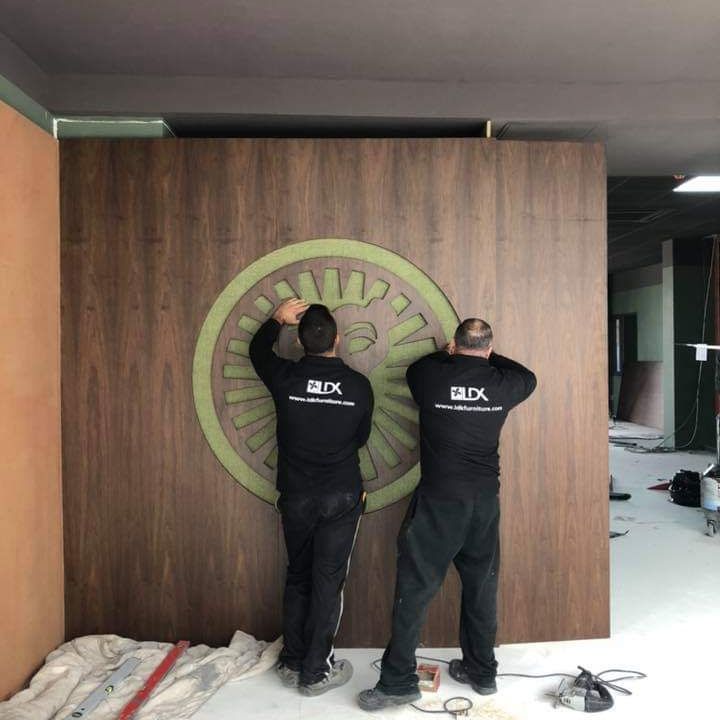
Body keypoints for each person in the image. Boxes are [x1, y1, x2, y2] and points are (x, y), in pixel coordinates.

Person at [358, 318, 536, 711]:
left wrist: (453, 354)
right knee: (481, 586)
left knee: (415, 590)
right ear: (489, 349)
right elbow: (526, 375)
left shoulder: (429, 377)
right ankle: (481, 671)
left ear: (453, 346)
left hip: (440, 502)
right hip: (484, 502)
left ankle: (397, 682)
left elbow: (420, 365)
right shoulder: (505, 384)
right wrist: (485, 357)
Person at [249, 298, 374, 696]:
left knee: (299, 575)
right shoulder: (358, 386)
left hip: (297, 496)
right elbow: (361, 439)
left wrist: (276, 320)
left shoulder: (284, 377)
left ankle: (292, 660)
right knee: (328, 581)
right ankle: (316, 671)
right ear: (338, 338)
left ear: (300, 341)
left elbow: (256, 351)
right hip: (341, 496)